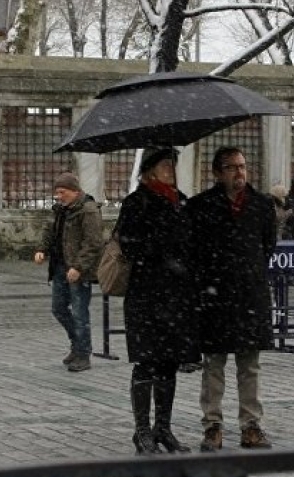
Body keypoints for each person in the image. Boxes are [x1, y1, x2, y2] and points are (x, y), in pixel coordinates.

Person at [186, 146, 276, 451]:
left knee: (249, 365)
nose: (239, 172)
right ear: (217, 173)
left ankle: (251, 425)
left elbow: (268, 246)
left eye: (242, 166)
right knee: (213, 365)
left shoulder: (262, 205)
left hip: (250, 295)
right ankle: (212, 425)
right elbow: (193, 251)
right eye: (231, 167)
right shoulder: (200, 207)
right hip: (214, 298)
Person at [115, 147, 199, 455]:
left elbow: (193, 243)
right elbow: (128, 245)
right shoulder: (136, 203)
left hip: (177, 296)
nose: (171, 169)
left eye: (172, 164)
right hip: (146, 295)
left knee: (169, 363)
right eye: (165, 164)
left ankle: (163, 428)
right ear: (149, 170)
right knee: (146, 362)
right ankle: (142, 431)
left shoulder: (182, 201)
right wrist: (161, 247)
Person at [34, 172, 104, 373]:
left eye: (62, 192)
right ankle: (77, 344)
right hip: (59, 267)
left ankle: (83, 354)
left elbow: (94, 243)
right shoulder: (60, 210)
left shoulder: (88, 210)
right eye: (56, 192)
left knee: (80, 313)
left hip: (77, 270)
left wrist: (79, 267)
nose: (58, 196)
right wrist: (41, 249)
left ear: (75, 191)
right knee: (59, 309)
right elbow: (50, 232)